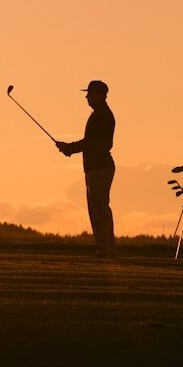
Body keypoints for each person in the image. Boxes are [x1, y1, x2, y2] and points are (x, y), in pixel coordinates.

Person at [56, 80, 117, 259]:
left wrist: (69, 148)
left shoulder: (102, 116)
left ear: (98, 95)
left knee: (100, 210)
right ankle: (104, 248)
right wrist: (70, 148)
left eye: (89, 94)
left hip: (100, 168)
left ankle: (107, 249)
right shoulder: (99, 114)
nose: (86, 97)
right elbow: (90, 142)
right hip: (95, 167)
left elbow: (91, 142)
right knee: (97, 209)